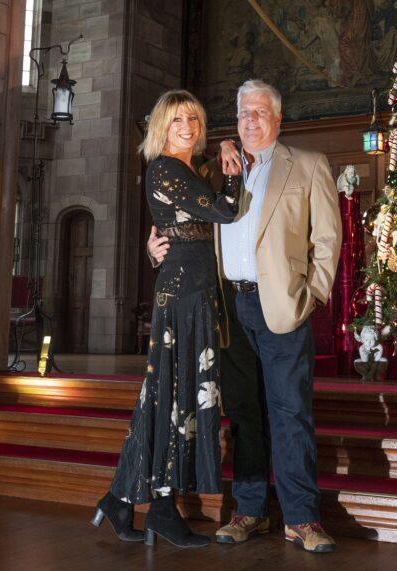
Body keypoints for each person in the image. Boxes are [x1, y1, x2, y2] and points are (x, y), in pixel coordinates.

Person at [149, 78, 342, 553]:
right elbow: (183, 227)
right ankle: (250, 511)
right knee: (243, 414)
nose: (250, 120)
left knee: (290, 411)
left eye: (259, 112)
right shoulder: (214, 171)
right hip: (226, 306)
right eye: (242, 113)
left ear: (277, 118)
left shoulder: (309, 166)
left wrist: (311, 294)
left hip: (281, 306)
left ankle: (302, 518)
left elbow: (328, 241)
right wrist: (156, 253)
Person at [92, 90, 240, 548]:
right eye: (177, 119)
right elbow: (224, 211)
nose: (188, 125)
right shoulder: (165, 168)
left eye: (193, 118)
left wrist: (225, 155)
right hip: (182, 296)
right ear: (162, 125)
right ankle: (158, 507)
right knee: (175, 397)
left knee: (166, 396)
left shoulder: (190, 169)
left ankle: (121, 500)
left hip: (193, 289)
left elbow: (186, 230)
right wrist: (232, 176)